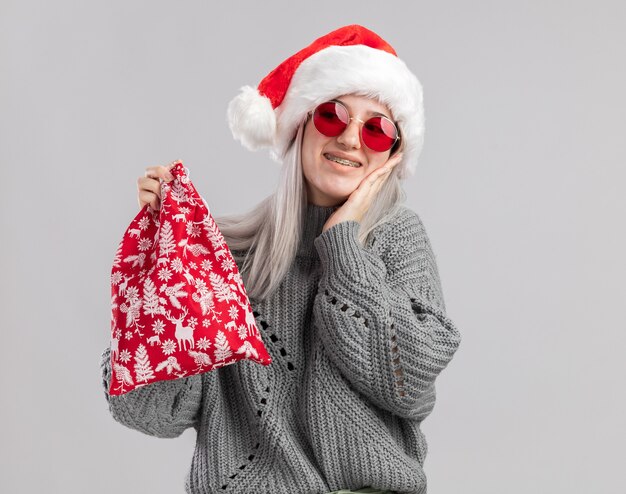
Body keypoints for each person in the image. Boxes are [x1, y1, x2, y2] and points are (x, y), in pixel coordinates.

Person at [100, 25, 461, 494]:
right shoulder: (227, 257)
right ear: (301, 128)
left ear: (392, 155)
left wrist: (342, 245)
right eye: (333, 116)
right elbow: (151, 412)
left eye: (376, 129)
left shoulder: (397, 240)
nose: (352, 139)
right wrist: (169, 260)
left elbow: (408, 381)